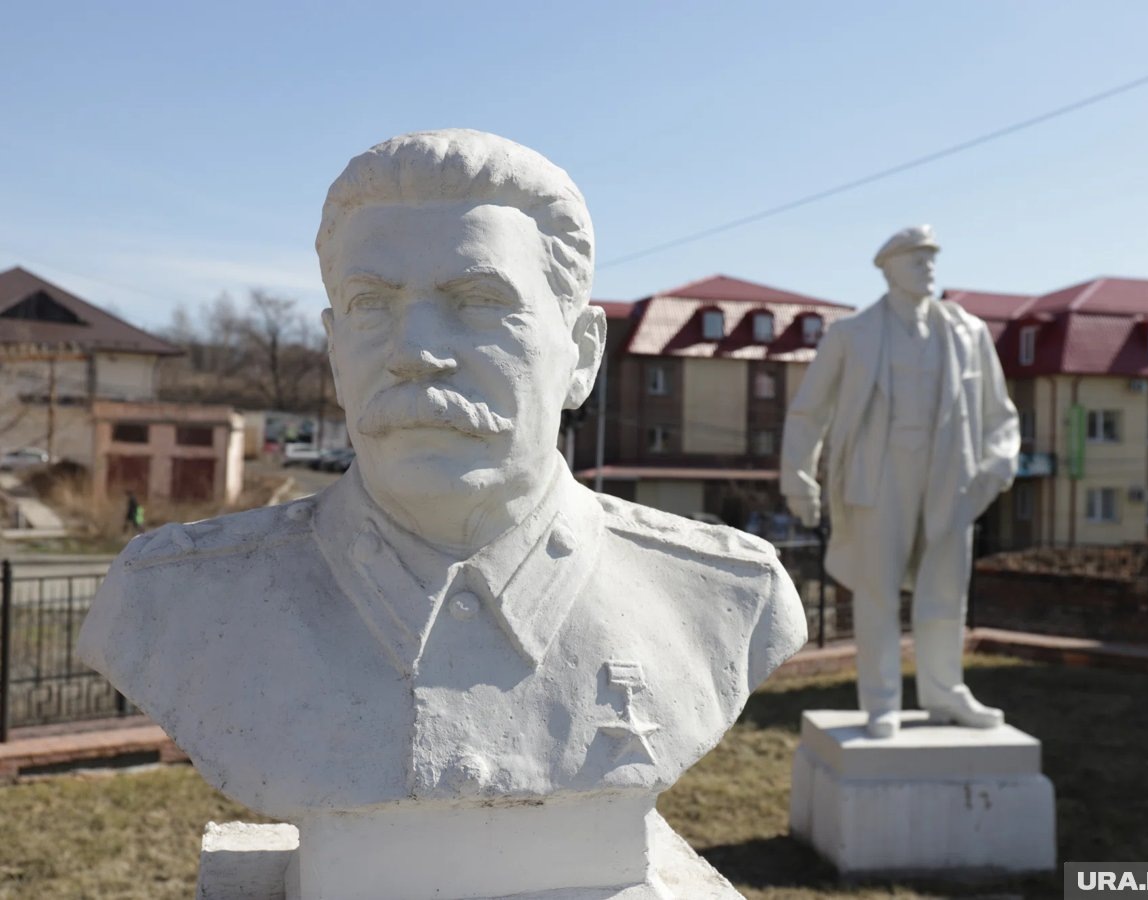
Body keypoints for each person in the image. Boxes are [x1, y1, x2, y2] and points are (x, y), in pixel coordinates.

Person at [78, 130, 806, 897]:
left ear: (583, 354)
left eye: (480, 302)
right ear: (332, 352)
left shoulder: (727, 597)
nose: (415, 350)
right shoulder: (178, 600)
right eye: (370, 306)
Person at [781, 225, 1019, 739]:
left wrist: (999, 464)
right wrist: (798, 479)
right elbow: (809, 412)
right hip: (877, 474)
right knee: (877, 592)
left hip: (949, 476)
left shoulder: (968, 333)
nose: (928, 267)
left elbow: (1000, 414)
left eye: (932, 258)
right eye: (916, 259)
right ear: (887, 268)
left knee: (946, 591)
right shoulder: (853, 335)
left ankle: (945, 692)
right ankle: (883, 701)